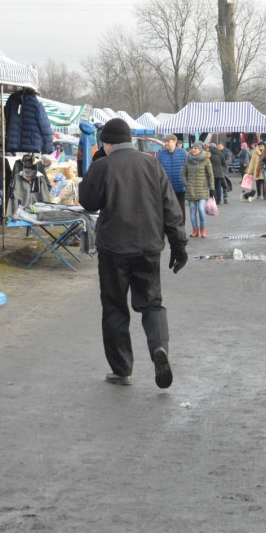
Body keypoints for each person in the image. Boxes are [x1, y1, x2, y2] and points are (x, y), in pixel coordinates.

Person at [78, 118, 187, 389]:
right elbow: (170, 207)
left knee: (115, 307)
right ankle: (159, 348)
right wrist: (179, 245)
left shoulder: (102, 165)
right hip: (148, 245)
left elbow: (88, 201)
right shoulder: (152, 164)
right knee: (152, 304)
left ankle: (122, 369)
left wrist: (96, 164)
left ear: (107, 142)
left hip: (114, 248)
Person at [183, 142, 214, 238]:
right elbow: (183, 174)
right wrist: (187, 184)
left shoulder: (206, 160)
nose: (193, 149)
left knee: (201, 209)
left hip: (202, 189)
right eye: (193, 148)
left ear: (200, 150)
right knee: (192, 211)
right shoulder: (187, 160)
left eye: (195, 148)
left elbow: (210, 175)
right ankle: (195, 230)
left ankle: (203, 229)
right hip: (190, 190)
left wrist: (212, 188)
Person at [157, 134, 187, 226]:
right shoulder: (161, 155)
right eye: (165, 141)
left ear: (174, 141)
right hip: (166, 187)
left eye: (168, 141)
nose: (166, 143)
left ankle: (181, 227)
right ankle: (169, 228)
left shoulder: (183, 153)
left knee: (180, 209)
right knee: (167, 209)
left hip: (180, 186)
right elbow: (158, 170)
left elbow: (188, 169)